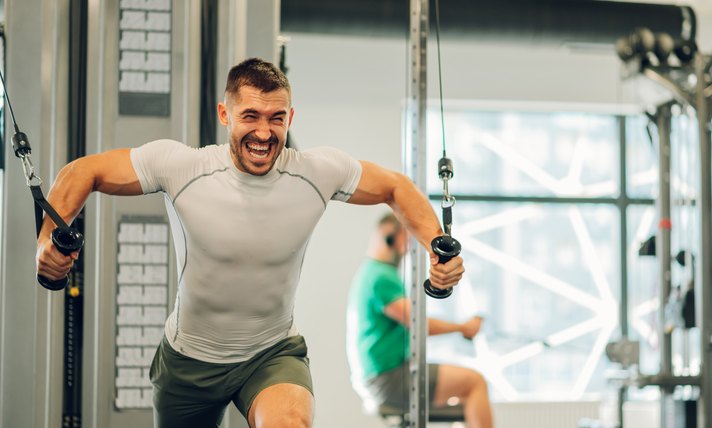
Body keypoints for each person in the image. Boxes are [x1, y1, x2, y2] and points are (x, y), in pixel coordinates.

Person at [35, 58, 464, 428]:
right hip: (189, 362)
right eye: (251, 116)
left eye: (276, 117)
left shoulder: (317, 172)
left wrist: (435, 246)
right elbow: (81, 173)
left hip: (271, 353)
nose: (264, 132)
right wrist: (46, 245)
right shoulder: (183, 167)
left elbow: (395, 186)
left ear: (290, 119)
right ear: (225, 114)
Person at [346, 213, 492, 427]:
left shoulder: (373, 272)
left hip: (382, 375)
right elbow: (417, 323)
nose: (409, 246)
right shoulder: (381, 277)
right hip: (388, 378)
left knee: (465, 394)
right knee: (474, 382)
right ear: (389, 237)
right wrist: (463, 327)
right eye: (406, 238)